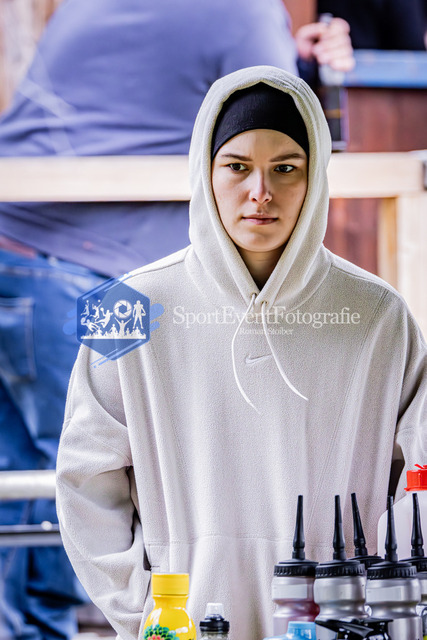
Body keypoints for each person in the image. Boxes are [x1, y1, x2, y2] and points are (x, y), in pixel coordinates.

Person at [0, 3, 354, 638]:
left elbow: (147, 89)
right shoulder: (242, 11)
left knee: (27, 471)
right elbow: (289, 134)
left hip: (19, 246)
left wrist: (293, 57)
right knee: (91, 470)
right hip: (92, 269)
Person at [56, 65, 426, 640]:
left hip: (337, 623)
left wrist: (378, 607)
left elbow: (419, 475)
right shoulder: (123, 305)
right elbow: (84, 480)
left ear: (316, 177)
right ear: (204, 171)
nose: (261, 192)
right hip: (182, 624)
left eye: (286, 168)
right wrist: (145, 614)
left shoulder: (379, 314)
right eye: (236, 166)